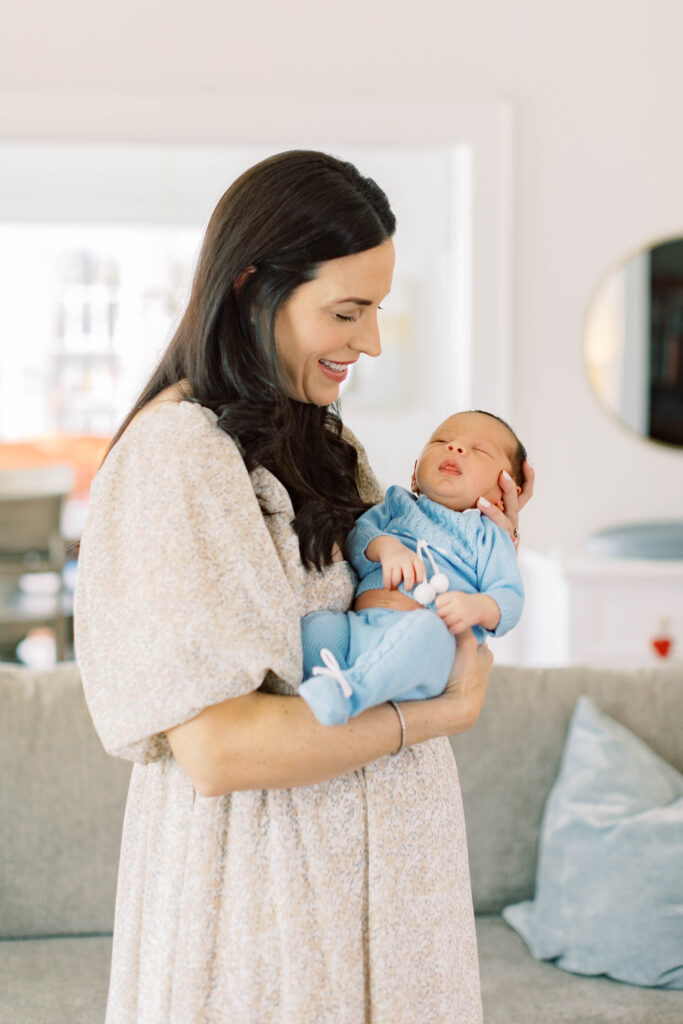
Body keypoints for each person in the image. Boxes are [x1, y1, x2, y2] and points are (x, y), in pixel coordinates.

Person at [74, 150, 534, 1024]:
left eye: (377, 310)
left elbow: (388, 601)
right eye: (346, 310)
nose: (368, 341)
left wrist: (479, 545)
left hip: (388, 891)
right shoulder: (181, 455)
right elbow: (220, 748)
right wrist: (438, 717)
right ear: (255, 289)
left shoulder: (325, 439)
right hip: (271, 897)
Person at [299, 410, 526, 725]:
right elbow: (357, 536)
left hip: (429, 647)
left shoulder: (487, 535)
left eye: (479, 450)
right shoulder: (396, 504)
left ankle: (350, 692)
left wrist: (477, 606)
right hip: (361, 628)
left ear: (503, 494)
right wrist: (386, 548)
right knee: (316, 627)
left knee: (424, 629)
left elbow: (510, 597)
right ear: (416, 471)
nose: (455, 448)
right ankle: (325, 686)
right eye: (441, 440)